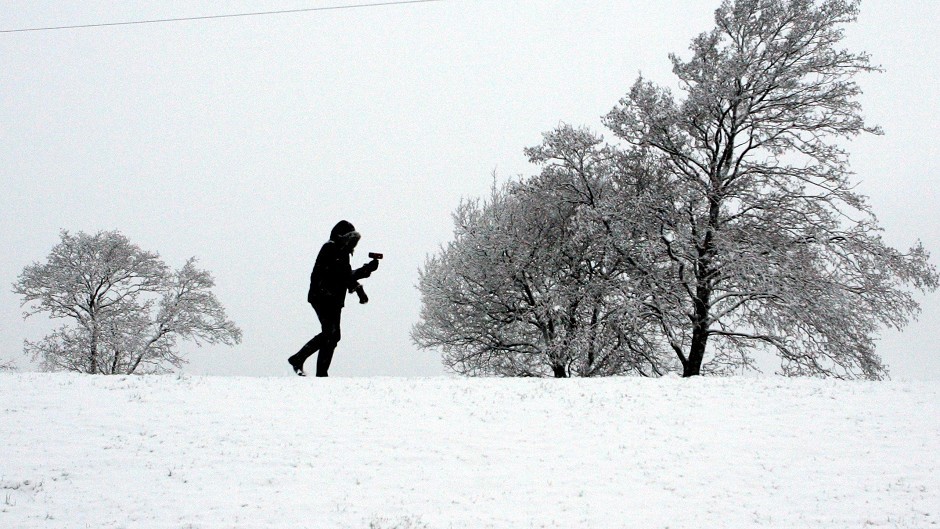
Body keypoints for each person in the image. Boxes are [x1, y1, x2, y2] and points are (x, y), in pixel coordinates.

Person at [288, 220, 379, 377]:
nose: (353, 243)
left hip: (332, 298)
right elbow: (342, 275)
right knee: (331, 333)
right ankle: (301, 360)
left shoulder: (340, 251)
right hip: (323, 296)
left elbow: (345, 275)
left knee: (332, 335)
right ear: (341, 236)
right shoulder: (331, 248)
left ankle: (317, 370)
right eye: (350, 239)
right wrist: (359, 289)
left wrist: (366, 269)